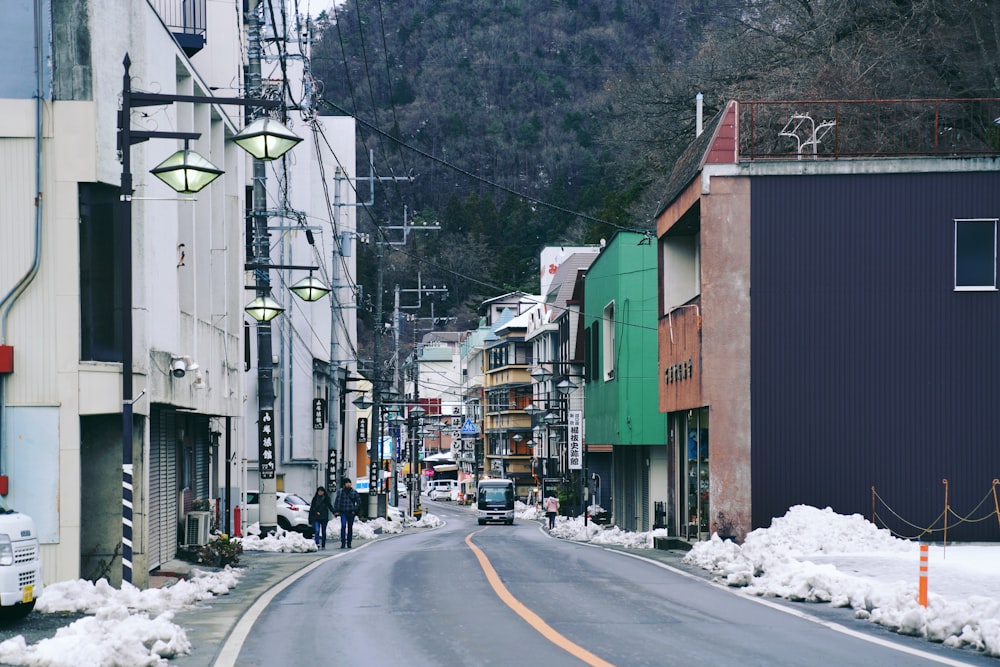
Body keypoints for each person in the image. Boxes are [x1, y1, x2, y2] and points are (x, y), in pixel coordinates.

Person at [333, 478, 361, 548]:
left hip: (351, 512)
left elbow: (359, 502)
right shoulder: (341, 492)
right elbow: (337, 501)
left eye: (349, 483)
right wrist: (336, 511)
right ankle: (343, 542)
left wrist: (355, 510)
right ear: (344, 484)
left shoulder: (354, 492)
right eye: (346, 483)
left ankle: (349, 542)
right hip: (343, 512)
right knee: (343, 526)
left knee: (350, 527)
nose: (348, 484)